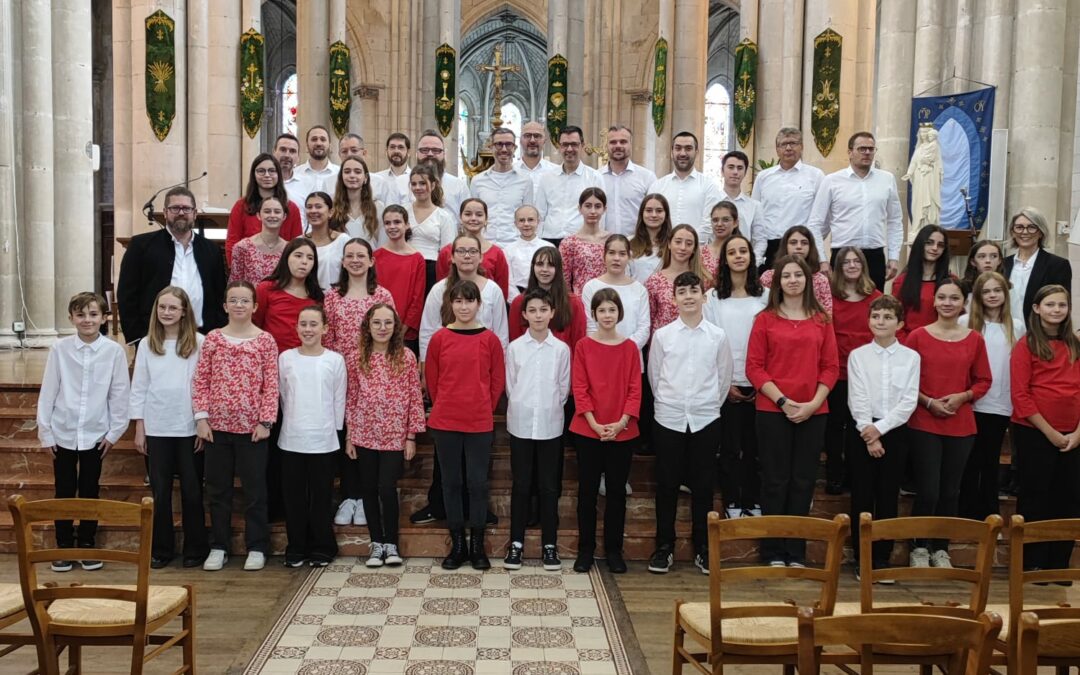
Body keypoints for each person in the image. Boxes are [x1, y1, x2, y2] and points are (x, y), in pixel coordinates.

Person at [746, 254, 838, 567]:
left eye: (798, 274)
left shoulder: (821, 319)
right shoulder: (765, 319)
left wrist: (812, 404)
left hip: (814, 411)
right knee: (775, 480)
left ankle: (795, 552)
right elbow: (754, 368)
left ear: (808, 279)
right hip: (773, 411)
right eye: (787, 275)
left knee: (803, 481)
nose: (793, 280)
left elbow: (830, 367)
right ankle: (772, 551)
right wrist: (783, 402)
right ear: (777, 282)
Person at [648, 271, 733, 575]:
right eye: (681, 292)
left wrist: (705, 404)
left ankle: (703, 548)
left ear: (702, 296)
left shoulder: (717, 336)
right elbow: (656, 377)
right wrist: (672, 404)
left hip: (705, 418)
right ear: (673, 299)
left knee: (703, 487)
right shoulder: (663, 336)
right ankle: (664, 547)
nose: (688, 296)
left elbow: (723, 379)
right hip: (669, 418)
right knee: (667, 485)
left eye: (693, 291)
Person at [37, 292, 130, 572]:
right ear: (71, 318)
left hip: (96, 433)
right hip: (63, 431)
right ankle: (64, 544)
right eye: (80, 315)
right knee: (63, 489)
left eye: (93, 315)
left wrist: (114, 432)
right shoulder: (59, 350)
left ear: (104, 318)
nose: (87, 320)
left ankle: (87, 543)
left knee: (90, 489)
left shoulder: (113, 351)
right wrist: (46, 431)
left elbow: (119, 394)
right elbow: (48, 392)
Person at [904, 278, 992, 569]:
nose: (947, 303)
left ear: (964, 303)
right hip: (924, 421)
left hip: (960, 423)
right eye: (942, 297)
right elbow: (904, 380)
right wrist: (929, 402)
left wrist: (963, 396)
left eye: (954, 298)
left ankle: (941, 548)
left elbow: (983, 381)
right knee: (928, 489)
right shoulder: (917, 336)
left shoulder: (974, 339)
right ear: (934, 302)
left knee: (950, 491)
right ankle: (918, 546)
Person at [193, 281, 279, 572]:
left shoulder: (265, 340)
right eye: (234, 300)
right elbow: (201, 380)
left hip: (252, 429)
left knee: (255, 490)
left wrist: (266, 421)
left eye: (245, 301)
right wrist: (201, 418)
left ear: (255, 306)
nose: (239, 305)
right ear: (225, 305)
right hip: (217, 428)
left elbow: (271, 384)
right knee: (218, 491)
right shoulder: (213, 339)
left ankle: (257, 546)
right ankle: (219, 545)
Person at [426, 280, 506, 570]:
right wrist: (446, 403)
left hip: (479, 420)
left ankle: (477, 545)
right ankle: (457, 544)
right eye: (458, 301)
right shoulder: (439, 338)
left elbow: (497, 380)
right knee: (452, 483)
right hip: (446, 420)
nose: (463, 307)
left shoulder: (490, 340)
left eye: (468, 301)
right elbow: (432, 380)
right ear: (451, 304)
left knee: (477, 483)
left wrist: (484, 404)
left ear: (478, 304)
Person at [130, 286, 208, 569]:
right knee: (160, 492)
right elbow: (139, 388)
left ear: (184, 311)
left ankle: (195, 548)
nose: (166, 312)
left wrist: (202, 422)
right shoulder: (148, 343)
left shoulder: (199, 342)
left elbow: (203, 386)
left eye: (172, 308)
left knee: (191, 490)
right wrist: (140, 426)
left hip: (188, 427)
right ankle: (161, 549)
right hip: (157, 426)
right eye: (162, 307)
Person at [846, 294, 920, 576]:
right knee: (862, 495)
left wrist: (881, 430)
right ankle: (861, 558)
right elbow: (858, 397)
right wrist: (869, 432)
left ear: (900, 323)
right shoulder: (858, 356)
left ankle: (882, 559)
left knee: (888, 495)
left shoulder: (911, 358)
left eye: (888, 317)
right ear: (869, 321)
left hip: (895, 431)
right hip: (862, 430)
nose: (881, 321)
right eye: (876, 316)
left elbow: (908, 401)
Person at [348, 303, 425, 568]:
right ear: (368, 327)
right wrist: (350, 436)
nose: (382, 328)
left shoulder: (405, 356)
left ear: (396, 327)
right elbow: (351, 398)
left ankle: (391, 543)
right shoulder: (358, 356)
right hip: (364, 433)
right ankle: (376, 542)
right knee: (368, 488)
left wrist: (411, 436)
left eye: (388, 323)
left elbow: (415, 397)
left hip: (394, 436)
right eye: (377, 323)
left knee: (386, 488)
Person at [571, 288, 642, 574]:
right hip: (589, 429)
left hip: (621, 431)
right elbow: (580, 387)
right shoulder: (583, 346)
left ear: (619, 313)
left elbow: (635, 390)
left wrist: (622, 423)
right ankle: (585, 550)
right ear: (594, 314)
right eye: (602, 310)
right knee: (587, 492)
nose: (607, 315)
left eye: (612, 310)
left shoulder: (629, 348)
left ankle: (614, 550)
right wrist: (594, 423)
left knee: (616, 493)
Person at [1009, 285, 1080, 572]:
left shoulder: (1075, 345)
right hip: (1035, 432)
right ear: (1037, 308)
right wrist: (1049, 432)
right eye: (1050, 304)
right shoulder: (1025, 345)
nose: (1056, 310)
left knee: (1069, 497)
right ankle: (1032, 563)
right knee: (1036, 496)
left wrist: (1076, 434)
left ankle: (1058, 564)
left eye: (1062, 305)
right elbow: (1020, 395)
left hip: (1073, 435)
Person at [325, 238, 395, 527]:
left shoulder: (382, 295)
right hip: (340, 372)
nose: (355, 260)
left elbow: (391, 332)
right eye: (349, 255)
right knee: (345, 432)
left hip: (373, 373)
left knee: (365, 433)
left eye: (361, 255)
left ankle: (366, 498)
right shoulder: (332, 296)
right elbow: (327, 337)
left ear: (371, 260)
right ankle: (348, 496)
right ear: (342, 262)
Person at [503, 289, 572, 571]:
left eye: (543, 309)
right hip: (520, 423)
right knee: (520, 485)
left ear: (552, 312)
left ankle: (549, 545)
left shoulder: (561, 349)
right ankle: (516, 545)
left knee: (548, 486)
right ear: (524, 315)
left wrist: (548, 409)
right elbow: (511, 385)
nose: (538, 315)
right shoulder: (515, 348)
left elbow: (564, 389)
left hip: (550, 424)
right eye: (532, 310)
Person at [704, 233, 767, 519]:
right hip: (726, 383)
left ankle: (752, 501)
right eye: (733, 252)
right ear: (725, 259)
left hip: (760, 383)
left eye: (744, 251)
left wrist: (761, 380)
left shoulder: (765, 296)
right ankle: (731, 501)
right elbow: (710, 342)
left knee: (755, 449)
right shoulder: (714, 297)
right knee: (729, 448)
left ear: (751, 257)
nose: (739, 256)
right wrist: (725, 382)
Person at [278, 305, 347, 568]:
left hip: (324, 440)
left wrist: (336, 432)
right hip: (292, 439)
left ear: (324, 329)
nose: (308, 329)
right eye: (303, 324)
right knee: (294, 497)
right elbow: (284, 396)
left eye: (313, 324)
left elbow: (338, 399)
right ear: (296, 327)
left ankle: (322, 546)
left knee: (321, 496)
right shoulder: (286, 359)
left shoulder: (334, 360)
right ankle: (296, 546)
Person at [118, 186, 227, 342]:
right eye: (175, 208)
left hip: (202, 336)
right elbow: (127, 293)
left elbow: (219, 294)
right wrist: (137, 336)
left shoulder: (211, 250)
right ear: (165, 212)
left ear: (195, 213)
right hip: (155, 336)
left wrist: (217, 331)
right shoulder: (141, 246)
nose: (181, 213)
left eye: (186, 208)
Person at [958, 271, 1022, 521]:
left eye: (997, 290)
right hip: (971, 401)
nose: (992, 295)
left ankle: (989, 512)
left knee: (990, 457)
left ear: (1005, 294)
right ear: (978, 296)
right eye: (986, 291)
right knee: (970, 459)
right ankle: (966, 511)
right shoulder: (966, 323)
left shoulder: (1016, 326)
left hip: (1000, 402)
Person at [806, 131, 903, 288]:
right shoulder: (831, 181)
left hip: (874, 255)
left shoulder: (887, 179)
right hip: (842, 255)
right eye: (862, 149)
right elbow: (815, 223)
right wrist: (822, 260)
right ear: (850, 152)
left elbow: (894, 221)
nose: (867, 153)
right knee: (841, 306)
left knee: (874, 307)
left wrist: (893, 256)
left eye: (871, 149)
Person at [825, 247, 882, 495]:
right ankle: (834, 475)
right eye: (845, 261)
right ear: (838, 267)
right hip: (837, 370)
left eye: (856, 261)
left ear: (863, 265)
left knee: (859, 423)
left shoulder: (876, 297)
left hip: (866, 373)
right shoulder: (830, 296)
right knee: (835, 425)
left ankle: (855, 474)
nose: (851, 265)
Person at [419, 233, 510, 362]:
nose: (467, 256)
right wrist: (425, 363)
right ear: (452, 257)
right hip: (447, 360)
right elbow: (427, 331)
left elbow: (501, 334)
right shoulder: (439, 289)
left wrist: (500, 364)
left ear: (481, 257)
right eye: (461, 251)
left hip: (482, 360)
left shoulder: (493, 290)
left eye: (473, 251)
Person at [751, 127, 825, 271]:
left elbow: (822, 217)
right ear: (777, 149)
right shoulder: (764, 177)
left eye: (793, 143)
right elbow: (756, 214)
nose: (789, 148)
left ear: (802, 146)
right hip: (771, 245)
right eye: (783, 144)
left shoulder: (815, 176)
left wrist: (810, 240)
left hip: (801, 247)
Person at [226, 153, 303, 265]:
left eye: (272, 170)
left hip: (283, 270)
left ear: (278, 174)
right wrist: (236, 269)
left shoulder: (291, 208)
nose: (267, 175)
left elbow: (297, 245)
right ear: (254, 174)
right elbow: (232, 242)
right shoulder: (241, 206)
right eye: (261, 171)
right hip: (249, 270)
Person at [582, 234, 651, 357]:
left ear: (629, 257)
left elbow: (643, 328)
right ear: (604, 256)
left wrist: (624, 349)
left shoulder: (640, 290)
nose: (616, 258)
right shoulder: (591, 287)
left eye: (622, 254)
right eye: (612, 253)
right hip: (600, 356)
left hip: (630, 357)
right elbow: (591, 326)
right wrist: (605, 350)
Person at [507, 246, 588, 352]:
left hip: (563, 365)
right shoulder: (519, 303)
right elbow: (515, 342)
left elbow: (578, 343)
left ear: (558, 269)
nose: (544, 269)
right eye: (540, 264)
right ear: (533, 267)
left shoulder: (573, 303)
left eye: (550, 265)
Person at [647, 131, 724, 242]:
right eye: (678, 148)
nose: (683, 153)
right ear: (671, 152)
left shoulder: (709, 186)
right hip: (661, 249)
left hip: (697, 251)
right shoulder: (657, 186)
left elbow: (709, 224)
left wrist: (685, 244)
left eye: (688, 148)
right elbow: (650, 220)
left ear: (696, 152)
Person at [536, 125, 604, 246]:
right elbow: (540, 213)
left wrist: (597, 242)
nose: (569, 149)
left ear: (582, 145)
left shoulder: (594, 177)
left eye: (574, 144)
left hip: (582, 241)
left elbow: (601, 214)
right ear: (559, 147)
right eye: (565, 145)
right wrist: (538, 243)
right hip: (550, 239)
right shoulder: (547, 178)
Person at [1004, 207, 1073, 327]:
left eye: (1031, 227)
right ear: (1013, 232)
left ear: (1041, 232)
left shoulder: (1057, 265)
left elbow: (1061, 305)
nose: (1024, 232)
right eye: (1019, 227)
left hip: (1039, 336)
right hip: (1005, 333)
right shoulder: (1002, 265)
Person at [254, 237, 324, 353]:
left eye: (310, 258)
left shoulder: (317, 297)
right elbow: (255, 325)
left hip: (306, 360)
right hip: (271, 359)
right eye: (298, 255)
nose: (304, 261)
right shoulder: (266, 288)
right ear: (286, 258)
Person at [372, 206, 426, 354]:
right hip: (378, 331)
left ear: (407, 225)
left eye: (397, 222)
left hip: (405, 333)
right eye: (388, 223)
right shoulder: (376, 256)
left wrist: (401, 331)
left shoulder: (417, 259)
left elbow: (417, 300)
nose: (392, 227)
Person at [469, 127, 535, 246]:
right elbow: (472, 216)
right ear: (491, 147)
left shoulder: (525, 181)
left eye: (508, 144)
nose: (504, 149)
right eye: (499, 144)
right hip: (485, 245)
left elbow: (528, 216)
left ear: (514, 148)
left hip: (514, 245)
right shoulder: (477, 181)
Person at [436, 198, 510, 299]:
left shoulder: (497, 254)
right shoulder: (447, 252)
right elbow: (441, 288)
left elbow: (502, 293)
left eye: (479, 215)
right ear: (460, 218)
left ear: (486, 219)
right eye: (468, 214)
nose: (473, 218)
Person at [646, 224, 710, 334]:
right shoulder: (654, 281)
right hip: (664, 344)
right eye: (678, 242)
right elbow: (649, 320)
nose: (683, 247)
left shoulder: (704, 280)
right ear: (669, 244)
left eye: (689, 244)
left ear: (694, 249)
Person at [405, 162, 457, 293]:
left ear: (433, 185)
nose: (418, 187)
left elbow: (447, 253)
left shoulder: (443, 216)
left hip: (431, 269)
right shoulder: (404, 212)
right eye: (414, 184)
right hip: (406, 265)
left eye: (422, 183)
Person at [758, 225, 834, 314]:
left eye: (804, 243)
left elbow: (827, 314)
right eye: (793, 242)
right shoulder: (769, 277)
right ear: (785, 246)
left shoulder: (820, 280)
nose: (799, 246)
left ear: (811, 247)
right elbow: (761, 308)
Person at [894, 224, 951, 339]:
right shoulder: (901, 282)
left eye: (940, 245)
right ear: (920, 244)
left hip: (942, 342)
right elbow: (894, 317)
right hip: (909, 345)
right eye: (929, 242)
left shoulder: (952, 282)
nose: (935, 248)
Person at [601, 125, 657, 237]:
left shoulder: (647, 177)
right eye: (613, 142)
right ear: (606, 145)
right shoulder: (596, 177)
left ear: (631, 144)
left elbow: (656, 211)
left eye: (623, 142)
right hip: (604, 244)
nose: (618, 146)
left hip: (638, 244)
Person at [560, 187, 612, 295]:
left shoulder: (611, 241)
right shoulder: (569, 243)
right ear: (580, 209)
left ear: (604, 209)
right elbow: (564, 280)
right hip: (580, 301)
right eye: (588, 206)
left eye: (597, 206)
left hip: (609, 300)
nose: (593, 211)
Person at [229, 196, 288, 286]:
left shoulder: (289, 249)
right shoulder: (242, 247)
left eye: (277, 212)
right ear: (258, 215)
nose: (272, 215)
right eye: (267, 211)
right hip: (251, 299)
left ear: (284, 216)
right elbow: (235, 283)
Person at [330, 156, 385, 248]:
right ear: (341, 176)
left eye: (357, 172)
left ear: (365, 177)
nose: (352, 175)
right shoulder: (332, 207)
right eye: (347, 172)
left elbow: (383, 244)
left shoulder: (378, 207)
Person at [416, 130, 471, 217]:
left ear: (444, 154)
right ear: (417, 153)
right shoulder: (402, 183)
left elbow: (467, 218)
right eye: (424, 150)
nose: (430, 154)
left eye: (436, 150)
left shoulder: (459, 186)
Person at [503, 205, 551, 302]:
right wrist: (517, 300)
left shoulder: (549, 247)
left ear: (538, 221)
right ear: (515, 223)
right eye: (521, 220)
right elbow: (508, 280)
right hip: (518, 294)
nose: (526, 224)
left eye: (530, 220)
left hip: (545, 295)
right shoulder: (508, 250)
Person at [305, 191, 349, 291]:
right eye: (309, 207)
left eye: (318, 206)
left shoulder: (343, 240)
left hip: (337, 299)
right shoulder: (299, 242)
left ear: (330, 212)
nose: (313, 210)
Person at [718, 150, 760, 244]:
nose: (735, 172)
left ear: (745, 172)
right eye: (731, 167)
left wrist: (754, 258)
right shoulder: (712, 202)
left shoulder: (755, 206)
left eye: (740, 168)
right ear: (722, 171)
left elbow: (759, 240)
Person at [628, 193, 672, 283]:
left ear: (666, 214)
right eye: (649, 210)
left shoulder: (673, 244)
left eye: (659, 211)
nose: (654, 215)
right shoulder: (628, 242)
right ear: (642, 213)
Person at [515, 121, 560, 192]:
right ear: (520, 140)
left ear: (544, 140)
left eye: (537, 136)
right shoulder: (511, 171)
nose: (532, 140)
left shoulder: (557, 172)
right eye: (527, 135)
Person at [294, 125, 339, 195]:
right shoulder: (295, 174)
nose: (318, 143)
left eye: (323, 139)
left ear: (330, 146)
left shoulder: (340, 174)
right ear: (307, 145)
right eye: (314, 139)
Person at [700, 200, 740, 275]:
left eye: (725, 220)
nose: (719, 224)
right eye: (715, 220)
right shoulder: (700, 252)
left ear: (735, 223)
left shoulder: (741, 252)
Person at [373, 132, 412, 206]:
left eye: (401, 147)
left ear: (408, 152)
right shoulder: (377, 179)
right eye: (392, 147)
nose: (396, 151)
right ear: (386, 151)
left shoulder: (416, 179)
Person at [273, 133, 307, 213]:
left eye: (292, 151)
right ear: (274, 152)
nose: (287, 155)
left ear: (298, 157)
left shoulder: (307, 184)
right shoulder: (264, 182)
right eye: (283, 150)